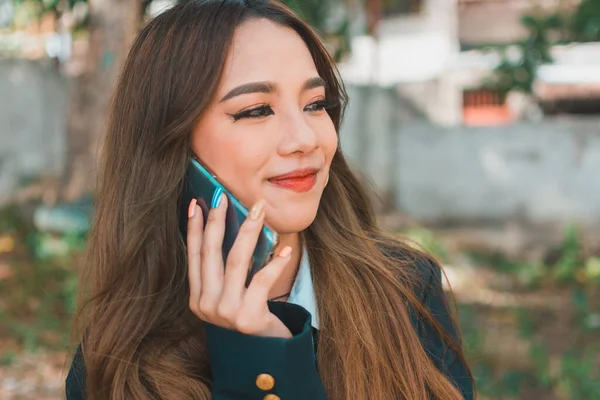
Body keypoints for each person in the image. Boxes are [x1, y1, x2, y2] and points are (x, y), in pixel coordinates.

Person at [66, 1, 475, 399]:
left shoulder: (405, 289)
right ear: (173, 147)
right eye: (257, 110)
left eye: (315, 105)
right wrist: (257, 365)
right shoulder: (115, 358)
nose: (305, 139)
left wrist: (272, 354)